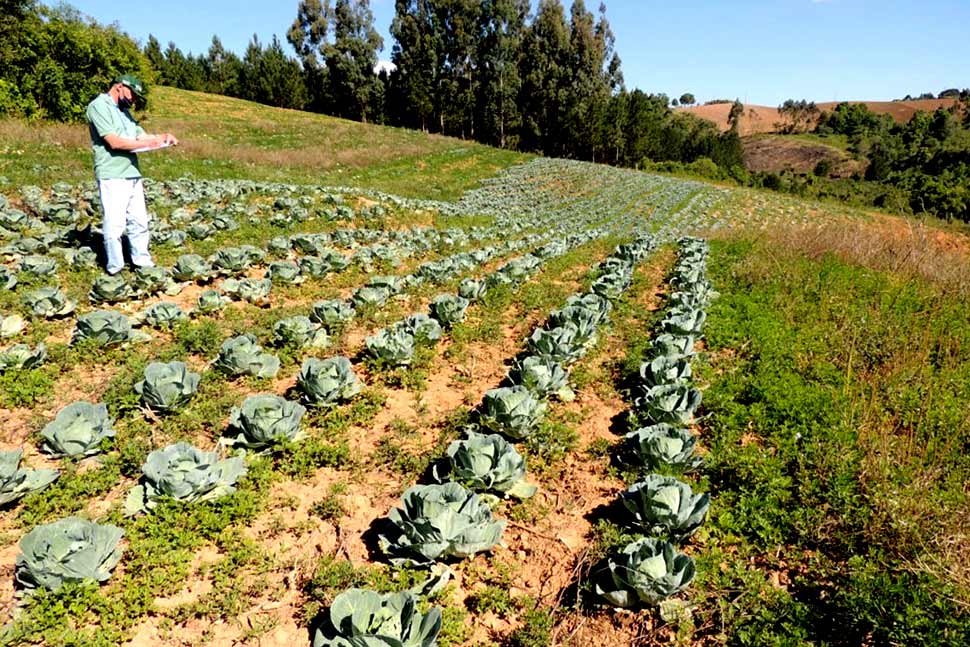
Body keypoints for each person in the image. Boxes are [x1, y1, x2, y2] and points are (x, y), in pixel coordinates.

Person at [85, 75, 178, 275]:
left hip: (132, 172)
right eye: (132, 94)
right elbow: (115, 142)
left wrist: (162, 138)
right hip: (112, 173)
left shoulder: (125, 111)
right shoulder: (98, 106)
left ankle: (142, 262)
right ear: (119, 87)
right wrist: (150, 143)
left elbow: (140, 135)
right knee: (115, 223)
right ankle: (115, 268)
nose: (134, 99)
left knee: (139, 220)